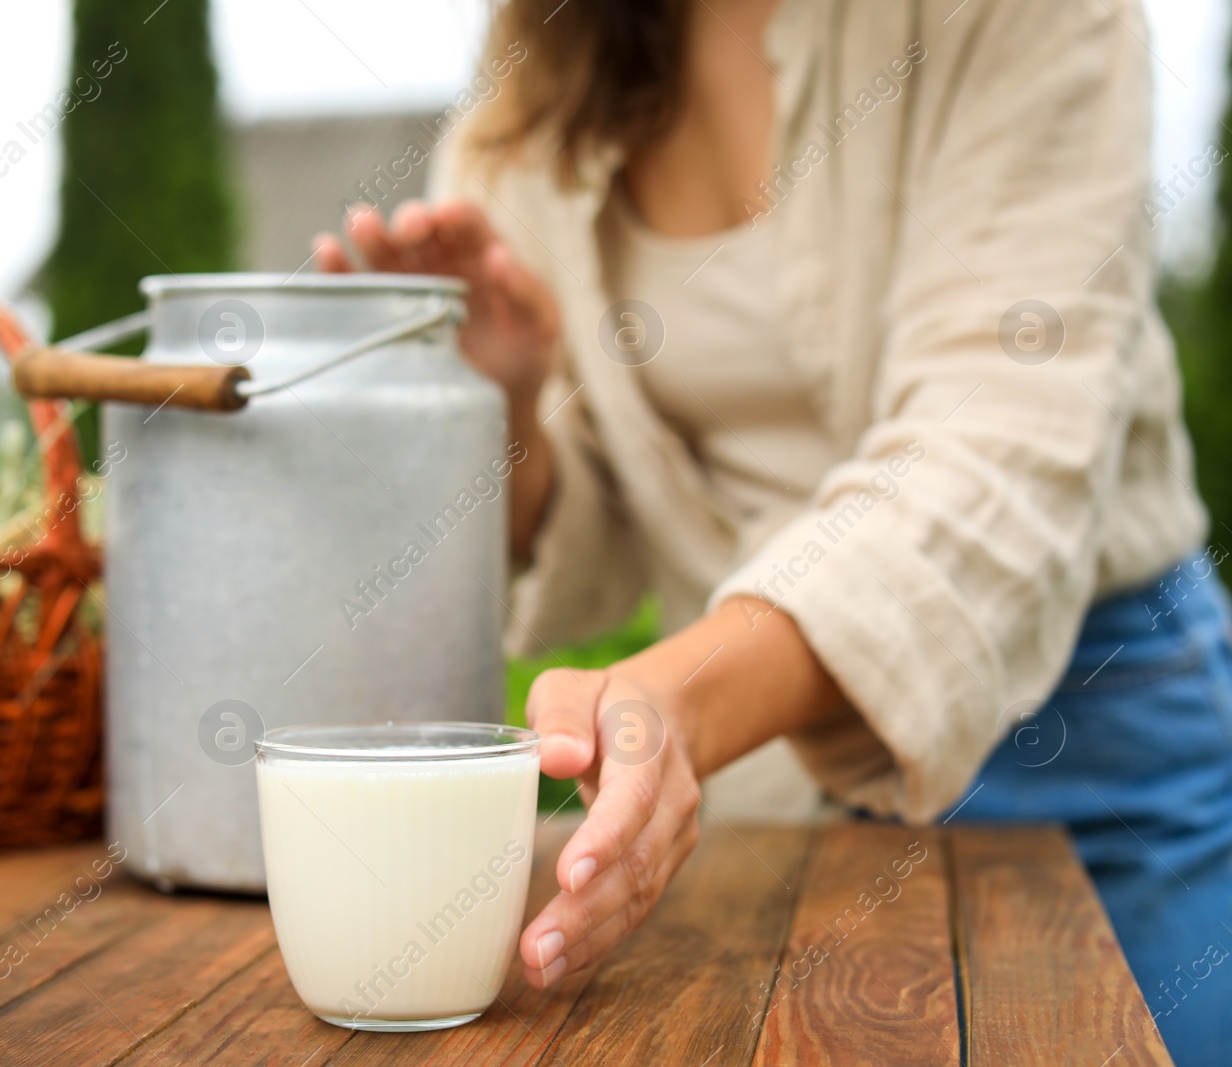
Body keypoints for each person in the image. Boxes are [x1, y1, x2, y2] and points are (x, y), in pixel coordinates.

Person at [314, 0, 1232, 1061]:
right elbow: (601, 532)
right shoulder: (542, 53)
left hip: (1084, 744)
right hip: (754, 792)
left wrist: (684, 697)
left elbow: (996, 452)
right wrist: (509, 401)